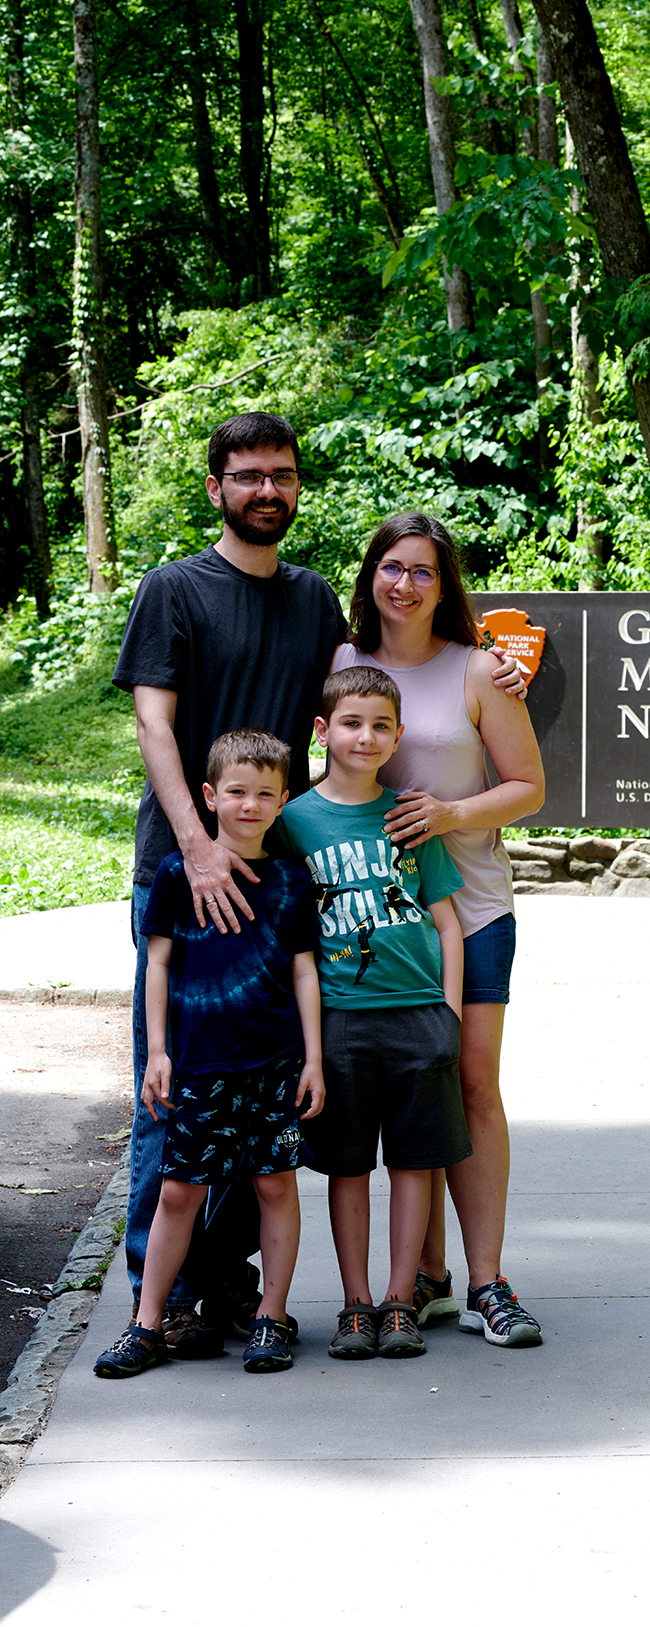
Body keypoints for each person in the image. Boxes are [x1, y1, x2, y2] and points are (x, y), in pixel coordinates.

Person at [112, 411, 347, 1353]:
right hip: (183, 876)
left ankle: (230, 1293)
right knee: (169, 1093)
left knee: (262, 1097)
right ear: (215, 488)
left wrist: (485, 667)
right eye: (248, 475)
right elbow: (155, 730)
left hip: (276, 887)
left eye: (282, 475)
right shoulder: (174, 591)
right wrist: (197, 848)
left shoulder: (315, 600)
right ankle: (153, 1295)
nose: (266, 490)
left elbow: (361, 705)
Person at [331, 513, 546, 1348]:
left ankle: (489, 1281)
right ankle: (425, 1280)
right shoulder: (344, 664)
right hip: (373, 923)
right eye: (392, 567)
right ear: (371, 577)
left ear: (443, 585)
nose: (406, 585)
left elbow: (529, 786)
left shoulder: (482, 671)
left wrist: (453, 810)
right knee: (402, 1092)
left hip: (476, 908)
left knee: (471, 1083)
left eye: (423, 571)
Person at [93, 730, 324, 1379]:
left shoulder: (289, 882)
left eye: (264, 794)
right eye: (237, 792)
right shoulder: (176, 875)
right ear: (209, 796)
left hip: (273, 1066)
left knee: (276, 1187)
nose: (249, 805)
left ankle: (270, 1319)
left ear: (283, 801)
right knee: (177, 1194)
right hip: (197, 1066)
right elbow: (158, 964)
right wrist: (158, 1053)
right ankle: (147, 1324)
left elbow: (306, 972)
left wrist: (311, 1059)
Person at [278, 667, 471, 1359]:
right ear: (323, 731)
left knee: (416, 1164)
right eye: (352, 723)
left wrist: (448, 1015)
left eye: (382, 725)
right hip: (340, 1021)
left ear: (397, 737)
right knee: (349, 1167)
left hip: (418, 1015)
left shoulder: (411, 815)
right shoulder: (293, 822)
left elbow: (447, 924)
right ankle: (355, 1303)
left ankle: (399, 1301)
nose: (367, 736)